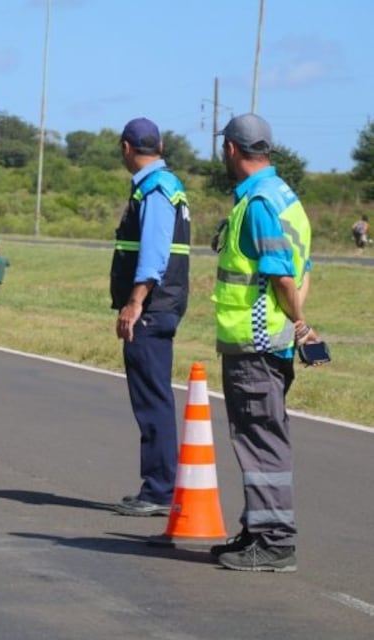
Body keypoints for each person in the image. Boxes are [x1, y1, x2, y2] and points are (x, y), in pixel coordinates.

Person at [211, 113, 319, 572]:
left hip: (255, 342)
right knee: (258, 436)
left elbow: (278, 274)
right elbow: (304, 267)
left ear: (232, 149)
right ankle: (258, 529)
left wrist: (299, 322)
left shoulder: (257, 202)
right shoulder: (286, 196)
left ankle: (275, 541)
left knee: (260, 439)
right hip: (269, 341)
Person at [110, 117, 191, 517]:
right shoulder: (164, 185)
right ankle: (159, 484)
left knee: (152, 398)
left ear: (127, 147)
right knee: (153, 395)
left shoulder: (156, 189)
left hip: (152, 306)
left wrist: (135, 299)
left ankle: (160, 489)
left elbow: (154, 253)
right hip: (163, 304)